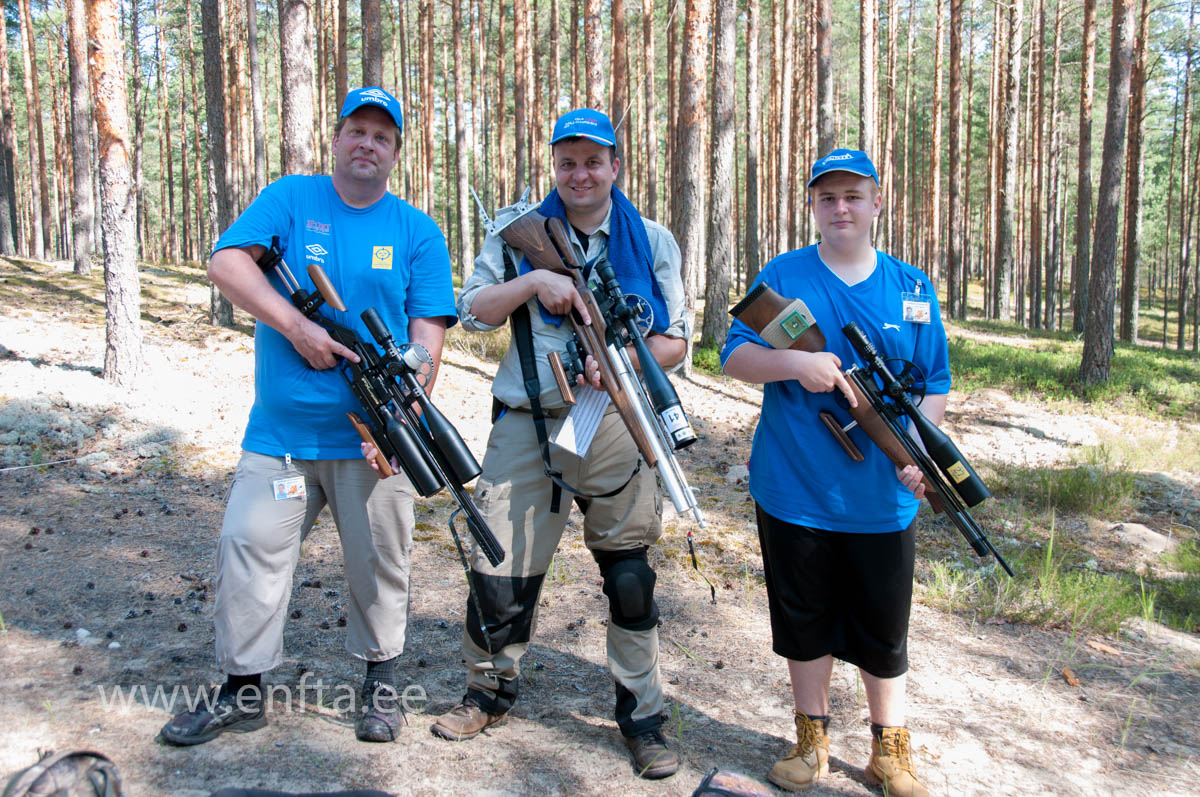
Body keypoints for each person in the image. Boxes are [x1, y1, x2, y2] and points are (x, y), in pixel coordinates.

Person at [159, 87, 457, 746]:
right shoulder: (291, 200)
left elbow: (428, 335)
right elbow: (226, 264)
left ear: (395, 153)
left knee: (379, 562)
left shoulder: (417, 231)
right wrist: (296, 327)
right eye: (357, 130)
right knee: (249, 550)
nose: (367, 144)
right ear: (337, 138)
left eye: (382, 136)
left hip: (371, 440)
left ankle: (381, 684)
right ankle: (242, 690)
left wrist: (406, 415)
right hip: (283, 440)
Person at [426, 108, 688, 779]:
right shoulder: (517, 232)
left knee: (629, 577)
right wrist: (532, 282)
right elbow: (472, 311)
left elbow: (676, 342)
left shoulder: (652, 241)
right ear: (555, 167)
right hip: (528, 420)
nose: (580, 174)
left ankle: (643, 718)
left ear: (615, 167)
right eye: (567, 162)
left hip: (616, 418)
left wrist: (619, 362)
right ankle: (487, 691)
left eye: (593, 161)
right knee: (500, 569)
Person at [721, 149, 945, 797]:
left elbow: (933, 382)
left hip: (881, 495)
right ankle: (811, 740)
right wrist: (797, 365)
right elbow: (735, 356)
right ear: (813, 206)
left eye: (852, 196)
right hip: (794, 486)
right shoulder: (784, 276)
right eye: (827, 198)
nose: (840, 208)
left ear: (877, 202)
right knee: (803, 616)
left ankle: (889, 749)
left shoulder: (911, 287)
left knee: (884, 624)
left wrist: (917, 454)